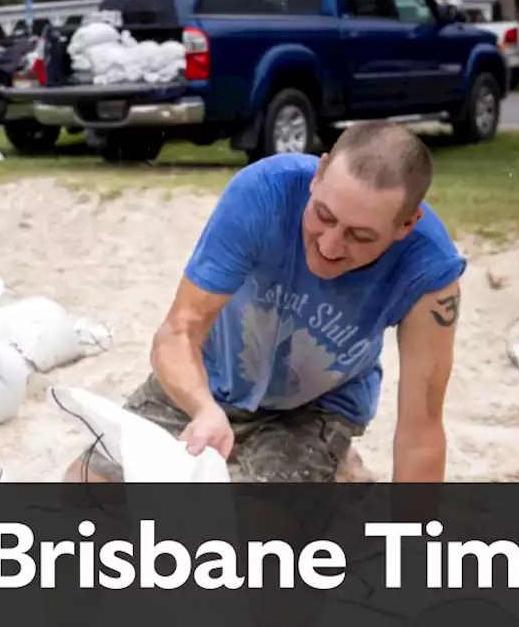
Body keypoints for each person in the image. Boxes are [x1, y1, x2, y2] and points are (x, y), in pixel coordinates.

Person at [64, 121, 465, 485]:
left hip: (314, 406)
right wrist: (203, 409)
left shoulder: (430, 272)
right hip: (210, 379)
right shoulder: (262, 192)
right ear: (319, 174)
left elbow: (421, 431)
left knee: (236, 539)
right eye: (323, 216)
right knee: (83, 486)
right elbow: (178, 332)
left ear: (406, 224)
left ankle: (334, 473)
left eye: (360, 237)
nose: (329, 245)